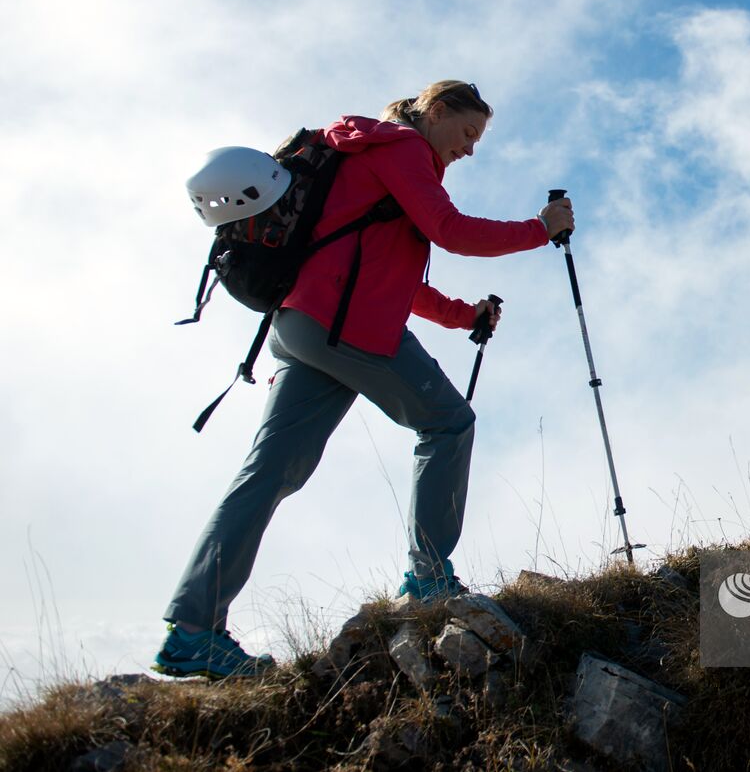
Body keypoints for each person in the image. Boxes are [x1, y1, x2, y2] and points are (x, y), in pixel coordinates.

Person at [155, 80, 574, 678]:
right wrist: (541, 227)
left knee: (268, 473)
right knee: (449, 423)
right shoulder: (402, 150)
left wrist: (462, 316)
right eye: (468, 133)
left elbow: (386, 273)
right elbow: (449, 231)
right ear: (436, 112)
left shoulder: (369, 153)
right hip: (345, 328)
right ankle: (429, 577)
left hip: (302, 323)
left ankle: (191, 631)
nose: (471, 149)